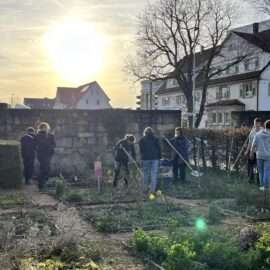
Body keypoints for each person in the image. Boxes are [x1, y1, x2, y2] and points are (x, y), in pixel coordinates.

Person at [139, 127, 161, 194]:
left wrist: (142, 158)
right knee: (153, 174)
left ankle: (144, 190)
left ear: (145, 132)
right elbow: (159, 149)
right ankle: (152, 190)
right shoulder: (156, 139)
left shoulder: (142, 140)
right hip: (154, 158)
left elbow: (141, 150)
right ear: (152, 132)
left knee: (145, 174)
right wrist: (159, 157)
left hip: (145, 158)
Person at [250, 120, 270, 191]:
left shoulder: (257, 134)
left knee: (260, 172)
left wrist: (251, 153)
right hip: (268, 156)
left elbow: (253, 145)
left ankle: (262, 187)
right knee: (267, 171)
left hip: (259, 155)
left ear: (265, 126)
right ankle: (266, 186)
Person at [35, 122, 56, 191]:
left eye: (45, 127)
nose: (45, 129)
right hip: (41, 155)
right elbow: (38, 144)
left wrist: (51, 148)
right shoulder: (38, 135)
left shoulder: (51, 135)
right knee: (44, 169)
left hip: (48, 154)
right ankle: (41, 185)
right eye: (43, 127)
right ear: (41, 128)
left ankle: (44, 184)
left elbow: (54, 144)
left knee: (47, 169)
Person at [245, 118, 263, 185]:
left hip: (260, 153)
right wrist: (247, 151)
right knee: (250, 166)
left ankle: (259, 182)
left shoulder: (263, 131)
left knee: (259, 168)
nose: (256, 125)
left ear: (260, 123)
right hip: (252, 152)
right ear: (254, 124)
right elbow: (249, 143)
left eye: (258, 123)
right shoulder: (252, 132)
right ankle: (251, 180)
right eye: (255, 123)